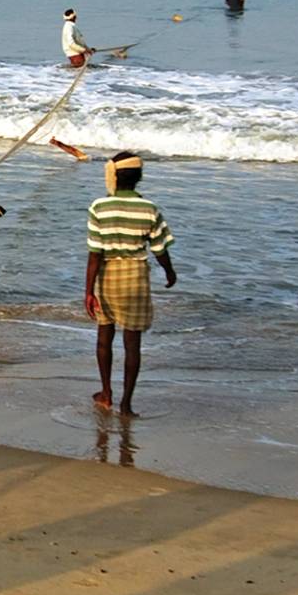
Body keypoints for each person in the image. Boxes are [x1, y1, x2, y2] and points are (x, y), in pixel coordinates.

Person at [83, 151, 178, 416]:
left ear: (113, 176)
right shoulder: (149, 209)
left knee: (104, 336)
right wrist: (169, 272)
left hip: (107, 276)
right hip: (136, 277)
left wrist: (89, 291)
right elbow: (160, 249)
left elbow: (94, 254)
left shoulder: (99, 207)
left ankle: (106, 392)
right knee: (132, 343)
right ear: (139, 178)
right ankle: (126, 403)